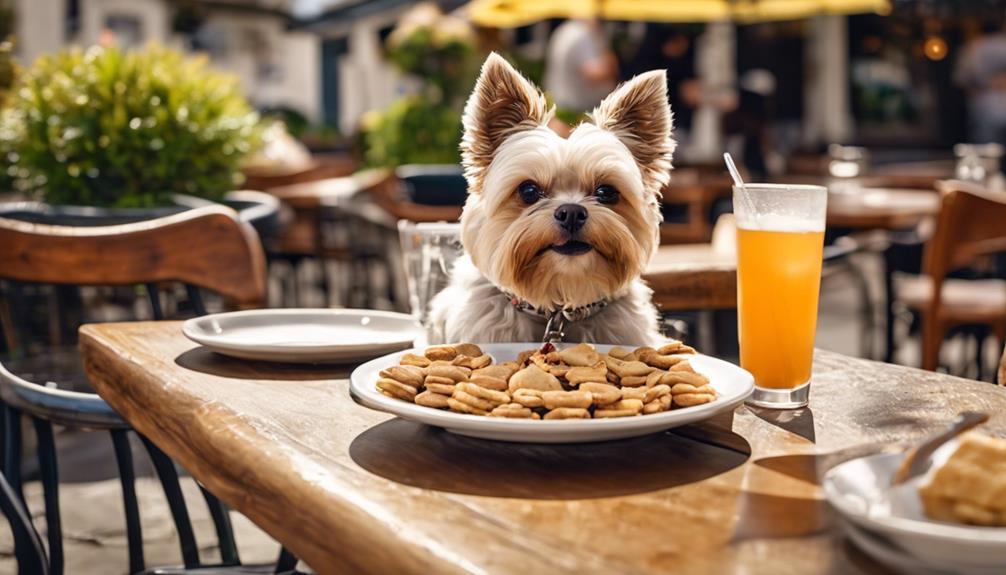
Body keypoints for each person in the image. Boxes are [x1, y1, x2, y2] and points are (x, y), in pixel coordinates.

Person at [544, 18, 619, 115]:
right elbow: (595, 74)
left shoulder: (565, 30)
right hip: (572, 114)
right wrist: (613, 61)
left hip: (560, 108)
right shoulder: (582, 34)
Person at [955, 23, 1006, 144]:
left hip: (983, 105)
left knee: (986, 148)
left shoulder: (972, 47)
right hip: (988, 103)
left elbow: (961, 80)